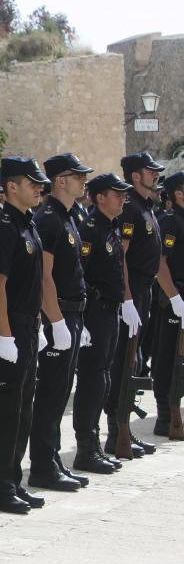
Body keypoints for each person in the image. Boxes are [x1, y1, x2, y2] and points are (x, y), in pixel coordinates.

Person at [0, 157, 50, 514]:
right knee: (3, 414)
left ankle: (12, 479)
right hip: (9, 328)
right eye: (32, 182)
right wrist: (5, 335)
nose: (39, 187)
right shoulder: (5, 227)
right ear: (11, 187)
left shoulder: (27, 224)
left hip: (26, 326)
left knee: (23, 409)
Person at [27, 154, 95, 492]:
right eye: (77, 175)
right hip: (59, 313)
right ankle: (42, 465)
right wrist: (56, 321)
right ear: (59, 181)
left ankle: (52, 459)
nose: (84, 181)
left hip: (72, 312)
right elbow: (45, 278)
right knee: (51, 393)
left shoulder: (68, 217)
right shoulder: (50, 219)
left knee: (59, 391)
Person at [71, 174, 131, 473]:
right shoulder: (91, 230)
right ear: (99, 198)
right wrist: (86, 317)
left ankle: (93, 444)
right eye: (116, 193)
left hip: (111, 312)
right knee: (92, 380)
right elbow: (79, 272)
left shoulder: (111, 227)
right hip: (96, 313)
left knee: (104, 378)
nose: (122, 198)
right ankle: (85, 448)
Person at [107, 152, 164, 449]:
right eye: (149, 171)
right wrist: (127, 298)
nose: (155, 175)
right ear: (134, 176)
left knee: (134, 360)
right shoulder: (130, 208)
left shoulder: (145, 207)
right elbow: (123, 258)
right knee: (124, 361)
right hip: (134, 291)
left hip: (145, 290)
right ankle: (116, 432)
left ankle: (124, 429)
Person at [151, 171, 184, 440]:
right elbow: (160, 264)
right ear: (178, 194)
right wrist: (175, 299)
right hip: (175, 299)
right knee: (168, 359)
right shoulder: (171, 221)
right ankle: (165, 417)